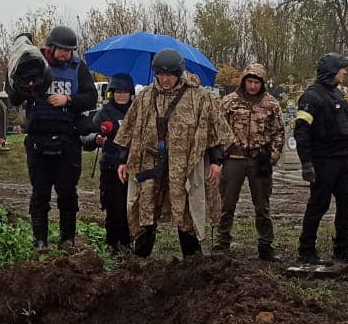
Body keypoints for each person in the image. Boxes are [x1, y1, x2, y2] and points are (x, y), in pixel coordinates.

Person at [115, 50, 228, 258]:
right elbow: (129, 129)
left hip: (183, 165)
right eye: (160, 74)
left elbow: (213, 130)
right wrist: (123, 160)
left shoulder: (199, 96)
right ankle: (140, 261)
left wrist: (216, 160)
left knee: (185, 210)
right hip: (149, 163)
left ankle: (193, 261)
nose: (165, 79)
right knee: (146, 208)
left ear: (179, 73)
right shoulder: (146, 96)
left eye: (170, 74)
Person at [6, 25, 97, 249]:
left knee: (67, 193)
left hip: (68, 139)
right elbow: (14, 98)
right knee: (40, 193)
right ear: (50, 47)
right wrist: (25, 86)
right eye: (63, 50)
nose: (67, 54)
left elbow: (91, 98)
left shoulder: (78, 68)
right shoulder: (33, 63)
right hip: (38, 137)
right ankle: (40, 240)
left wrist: (68, 100)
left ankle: (67, 239)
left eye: (70, 50)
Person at [294, 53, 348, 265]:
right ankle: (306, 250)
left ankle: (342, 249)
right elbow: (302, 132)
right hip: (323, 161)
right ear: (332, 71)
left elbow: (345, 125)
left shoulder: (337, 95)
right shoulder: (311, 97)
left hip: (342, 159)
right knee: (318, 205)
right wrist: (306, 163)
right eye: (342, 68)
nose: (345, 71)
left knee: (347, 205)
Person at [214, 63, 285, 261]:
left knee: (262, 205)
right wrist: (222, 153)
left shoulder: (271, 105)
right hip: (234, 159)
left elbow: (279, 132)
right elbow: (219, 128)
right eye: (249, 81)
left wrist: (272, 157)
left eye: (256, 82)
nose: (252, 86)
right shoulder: (229, 102)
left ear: (262, 84)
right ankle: (222, 243)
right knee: (227, 204)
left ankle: (265, 245)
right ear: (243, 81)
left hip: (259, 159)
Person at [84, 73, 134, 252]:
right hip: (110, 167)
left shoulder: (137, 112)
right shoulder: (103, 113)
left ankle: (127, 243)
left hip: (133, 168)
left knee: (129, 209)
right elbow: (87, 136)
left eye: (125, 92)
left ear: (131, 93)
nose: (121, 95)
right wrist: (95, 139)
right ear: (111, 93)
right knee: (113, 208)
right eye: (117, 91)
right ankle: (112, 244)